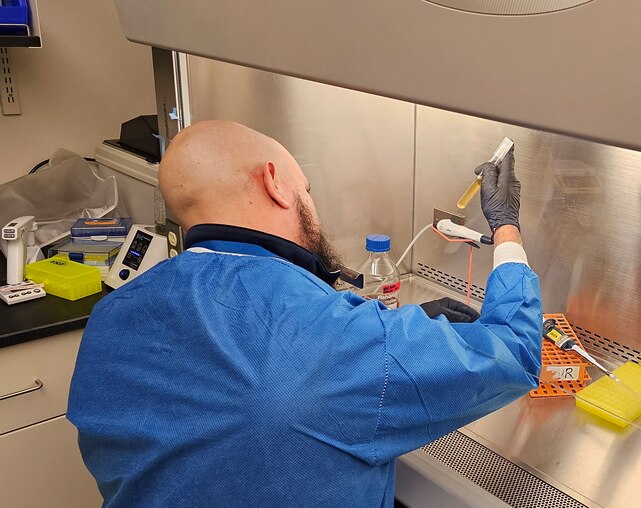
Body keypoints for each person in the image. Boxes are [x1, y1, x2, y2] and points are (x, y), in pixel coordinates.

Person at [68, 120, 542, 507]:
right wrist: (506, 228)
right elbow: (515, 350)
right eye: (307, 190)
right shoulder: (335, 343)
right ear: (274, 182)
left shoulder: (111, 318)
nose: (312, 203)